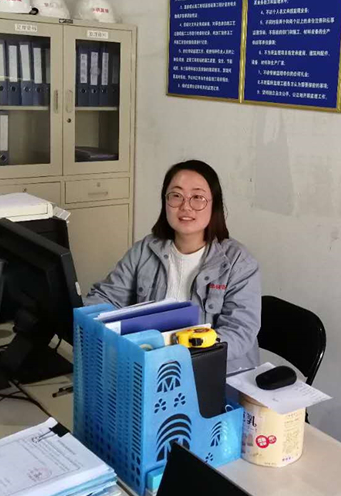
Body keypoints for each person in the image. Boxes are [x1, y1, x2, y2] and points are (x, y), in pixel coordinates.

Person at [84, 160, 261, 373]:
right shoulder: (145, 250)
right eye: (176, 196)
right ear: (165, 202)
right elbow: (107, 297)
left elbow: (240, 331)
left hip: (217, 372)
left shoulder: (237, 262)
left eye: (197, 197)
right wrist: (85, 316)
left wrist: (180, 352)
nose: (185, 206)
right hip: (152, 369)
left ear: (214, 205)